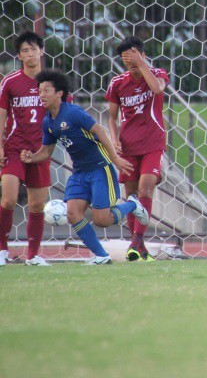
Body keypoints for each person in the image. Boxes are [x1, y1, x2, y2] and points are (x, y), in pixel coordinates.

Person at [20, 70, 149, 265]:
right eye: (39, 91)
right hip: (79, 172)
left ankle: (132, 204)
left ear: (59, 93)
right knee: (72, 213)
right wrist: (31, 158)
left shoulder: (73, 112)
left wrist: (114, 158)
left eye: (46, 90)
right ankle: (101, 255)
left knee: (101, 220)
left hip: (99, 168)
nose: (42, 95)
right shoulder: (48, 121)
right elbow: (46, 151)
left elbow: (99, 130)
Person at [106, 36, 168, 261]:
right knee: (131, 196)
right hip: (128, 147)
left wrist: (142, 64)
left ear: (142, 55)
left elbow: (158, 89)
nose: (129, 63)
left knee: (145, 191)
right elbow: (112, 118)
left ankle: (136, 242)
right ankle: (138, 248)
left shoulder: (158, 73)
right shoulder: (117, 83)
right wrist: (114, 139)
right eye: (125, 60)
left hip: (153, 144)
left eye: (133, 57)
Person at [0, 32, 51, 266]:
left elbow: (64, 114)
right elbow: (1, 116)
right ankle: (1, 250)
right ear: (19, 56)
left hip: (40, 151)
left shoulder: (51, 83)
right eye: (25, 50)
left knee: (37, 205)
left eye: (33, 49)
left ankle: (33, 255)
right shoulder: (10, 82)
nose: (30, 54)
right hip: (13, 148)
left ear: (42, 51)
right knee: (9, 199)